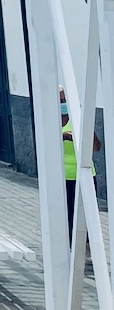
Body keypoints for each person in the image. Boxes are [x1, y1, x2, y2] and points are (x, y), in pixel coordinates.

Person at [63, 87, 101, 245]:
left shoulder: (77, 120)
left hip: (84, 175)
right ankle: (69, 243)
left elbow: (96, 147)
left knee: (86, 213)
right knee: (67, 212)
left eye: (65, 100)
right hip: (63, 177)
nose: (63, 103)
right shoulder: (50, 122)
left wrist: (86, 133)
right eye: (60, 100)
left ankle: (86, 245)